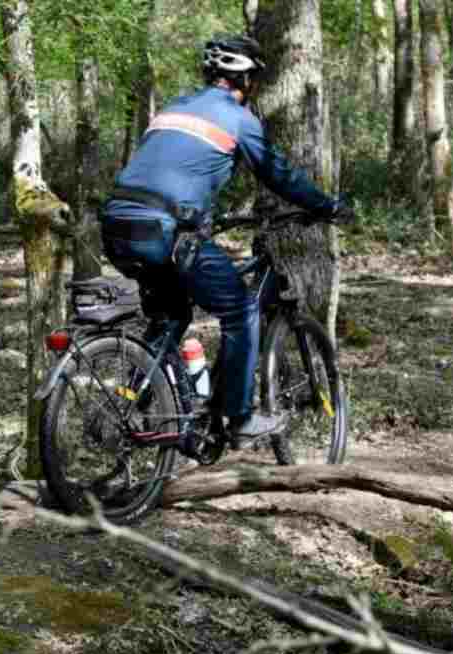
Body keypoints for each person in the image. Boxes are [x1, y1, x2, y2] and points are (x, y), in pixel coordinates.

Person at [100, 33, 350, 444]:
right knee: (240, 311)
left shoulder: (173, 108)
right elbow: (279, 175)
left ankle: (135, 401)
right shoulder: (239, 120)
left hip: (117, 224)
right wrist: (327, 206)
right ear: (247, 80)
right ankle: (238, 416)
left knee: (172, 317)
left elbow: (173, 168)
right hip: (166, 231)